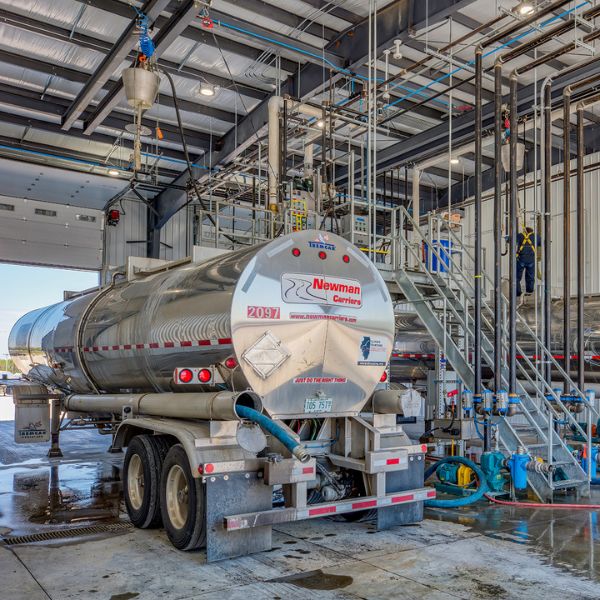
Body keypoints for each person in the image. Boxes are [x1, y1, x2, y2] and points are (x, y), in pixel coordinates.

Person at [516, 226, 540, 296]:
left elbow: (510, 240)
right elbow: (542, 242)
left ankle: (517, 293)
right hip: (531, 261)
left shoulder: (520, 236)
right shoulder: (535, 236)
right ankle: (529, 291)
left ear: (525, 231)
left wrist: (507, 238)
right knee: (530, 277)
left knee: (517, 277)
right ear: (531, 232)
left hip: (521, 260)